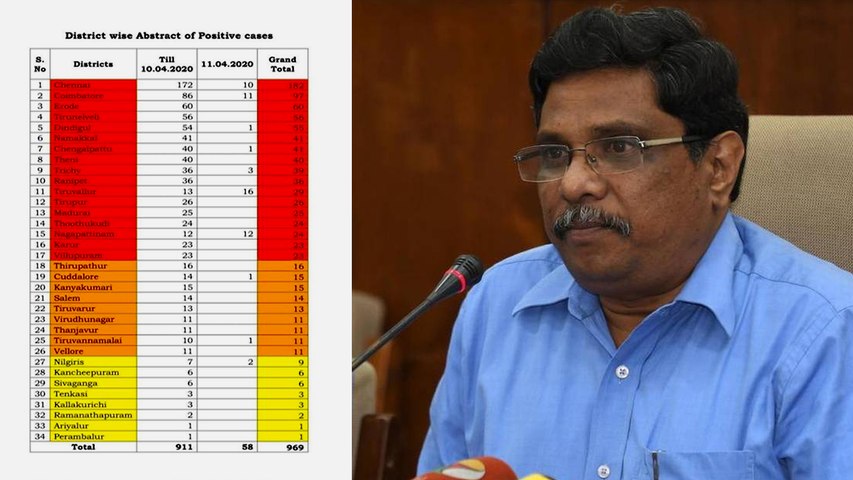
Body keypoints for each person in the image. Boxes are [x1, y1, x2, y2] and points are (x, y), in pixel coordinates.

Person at [417, 6, 853, 480]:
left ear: (718, 167)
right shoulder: (496, 307)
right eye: (556, 153)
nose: (573, 184)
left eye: (619, 148)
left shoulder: (824, 332)